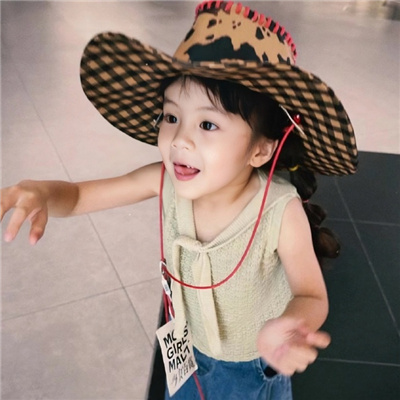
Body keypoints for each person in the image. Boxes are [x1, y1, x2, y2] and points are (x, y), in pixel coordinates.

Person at [1, 1, 358, 399]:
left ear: (261, 149)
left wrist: (288, 327)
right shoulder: (163, 180)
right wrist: (44, 192)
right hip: (187, 350)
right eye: (171, 117)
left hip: (252, 366)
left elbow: (311, 294)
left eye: (207, 123)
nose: (180, 139)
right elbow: (80, 196)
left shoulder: (279, 211)